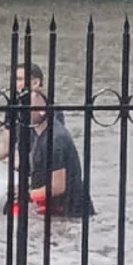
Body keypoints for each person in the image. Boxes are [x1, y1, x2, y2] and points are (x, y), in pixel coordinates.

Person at [21, 90, 95, 218]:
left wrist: (28, 195)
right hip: (56, 209)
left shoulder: (54, 140)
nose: (23, 111)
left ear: (42, 111)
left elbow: (58, 186)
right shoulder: (38, 132)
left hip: (71, 213)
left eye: (29, 107)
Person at [0, 62, 65, 162]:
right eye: (15, 80)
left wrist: (10, 161)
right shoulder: (14, 107)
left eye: (20, 79)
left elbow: (53, 147)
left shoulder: (52, 109)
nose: (16, 84)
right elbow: (6, 145)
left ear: (36, 82)